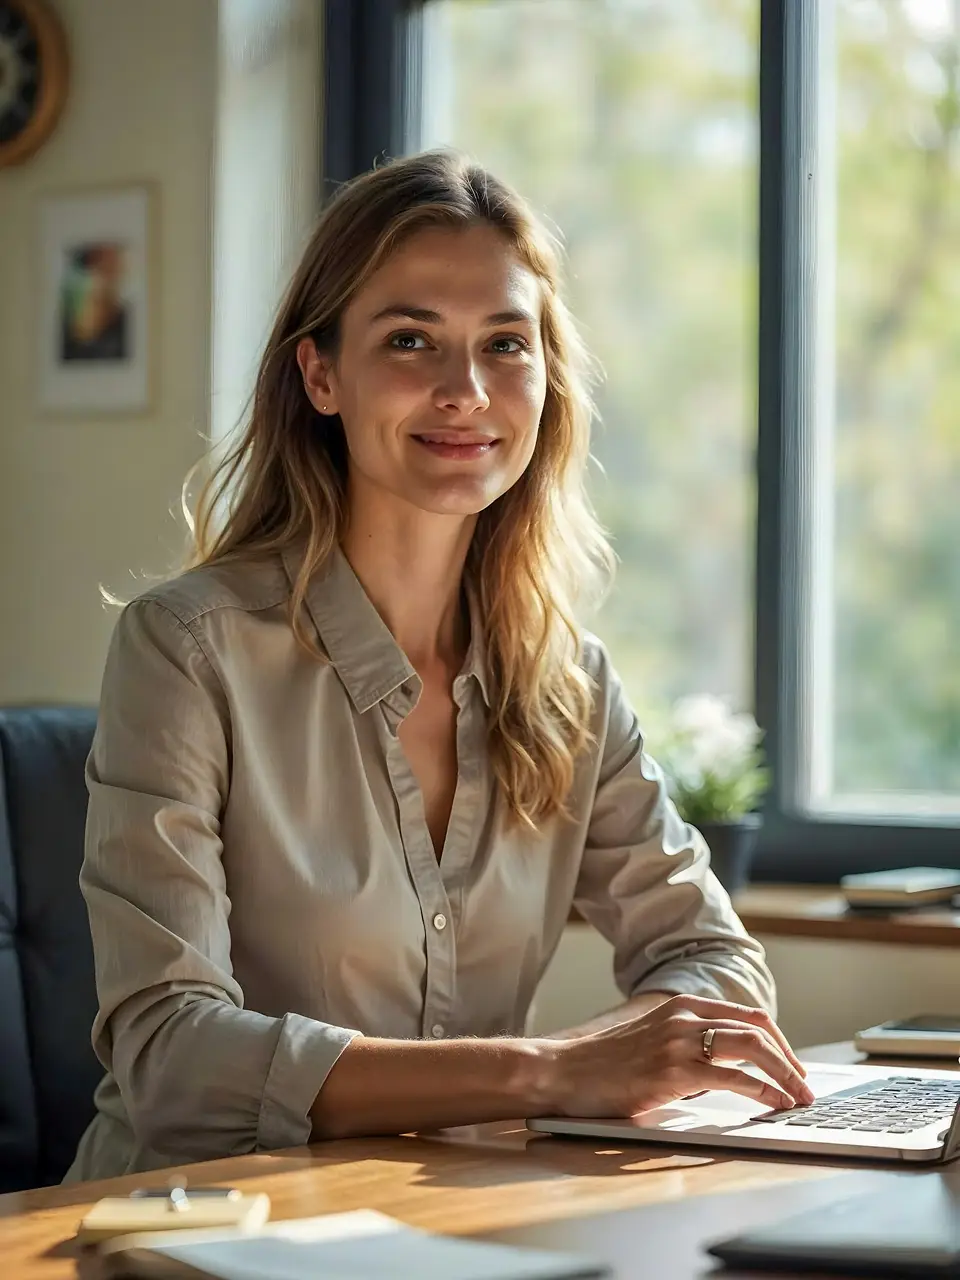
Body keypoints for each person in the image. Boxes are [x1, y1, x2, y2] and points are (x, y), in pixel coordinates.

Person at [64, 149, 814, 1183]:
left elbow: (719, 961)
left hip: (460, 1223)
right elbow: (170, 1054)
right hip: (188, 1227)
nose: (465, 390)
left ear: (544, 381)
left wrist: (633, 1057)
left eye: (505, 343)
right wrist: (551, 1070)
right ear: (321, 374)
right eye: (410, 338)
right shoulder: (187, 647)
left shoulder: (569, 682)